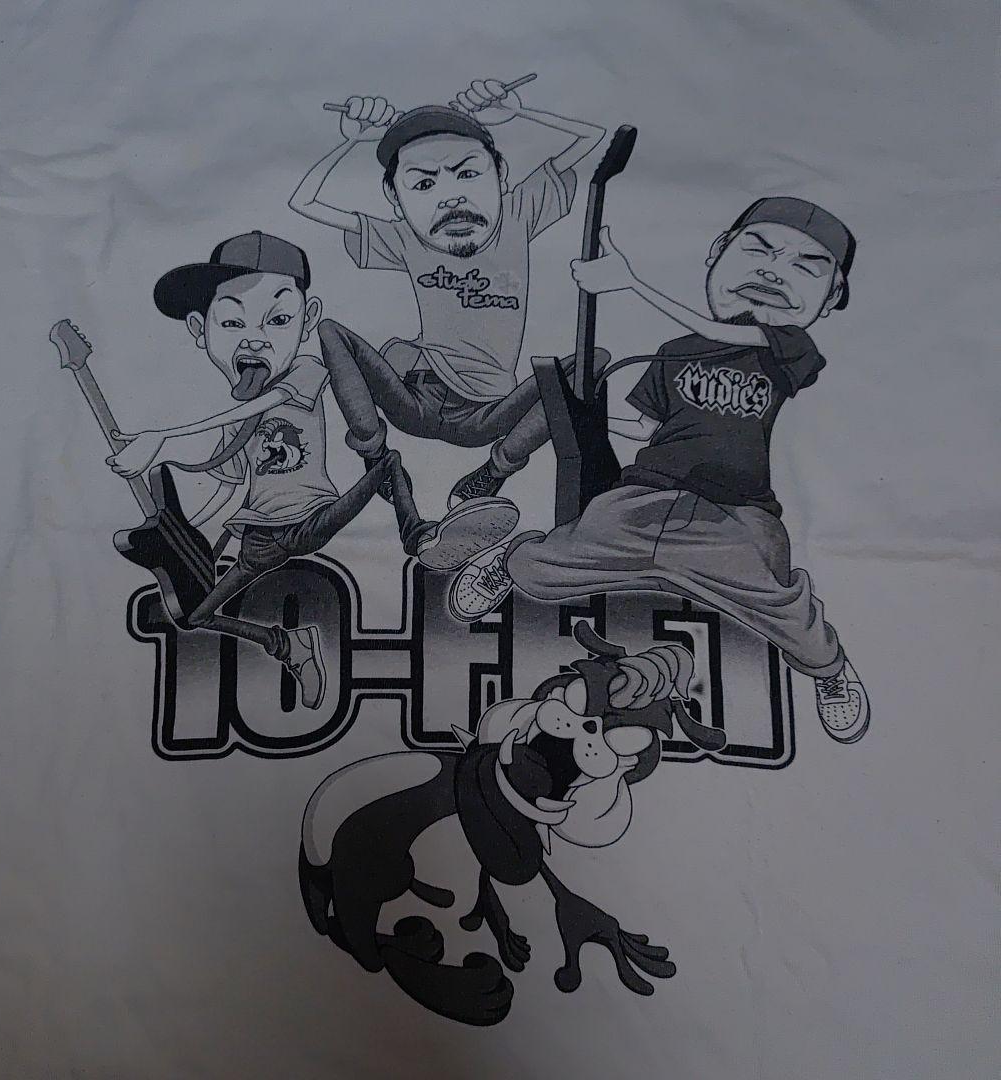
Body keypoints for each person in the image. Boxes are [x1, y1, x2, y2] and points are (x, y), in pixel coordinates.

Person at [448, 198, 871, 744]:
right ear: (717, 252)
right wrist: (580, 413)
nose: (772, 272)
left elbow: (723, 334)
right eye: (758, 250)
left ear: (832, 296)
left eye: (806, 267)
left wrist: (630, 283)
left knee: (779, 602)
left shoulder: (789, 348)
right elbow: (641, 426)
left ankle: (830, 672)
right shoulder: (674, 352)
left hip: (735, 516)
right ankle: (509, 560)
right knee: (548, 566)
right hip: (644, 498)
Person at [106, 231, 516, 708]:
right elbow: (227, 486)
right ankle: (286, 644)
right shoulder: (234, 420)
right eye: (233, 322)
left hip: (312, 518)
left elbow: (262, 405)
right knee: (194, 616)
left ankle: (420, 534)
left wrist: (162, 438)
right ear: (200, 329)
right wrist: (187, 539)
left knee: (387, 462)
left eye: (279, 320)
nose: (255, 338)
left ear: (307, 320)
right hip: (258, 538)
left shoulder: (303, 371)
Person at [287, 79, 605, 506]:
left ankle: (495, 471)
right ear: (394, 196)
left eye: (467, 174)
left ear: (501, 174)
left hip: (486, 415)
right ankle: (376, 457)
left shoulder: (518, 214)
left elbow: (594, 137)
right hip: (413, 401)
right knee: (329, 331)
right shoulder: (406, 237)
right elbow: (303, 202)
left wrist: (519, 113)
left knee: (592, 360)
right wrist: (354, 142)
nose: (451, 198)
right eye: (423, 184)